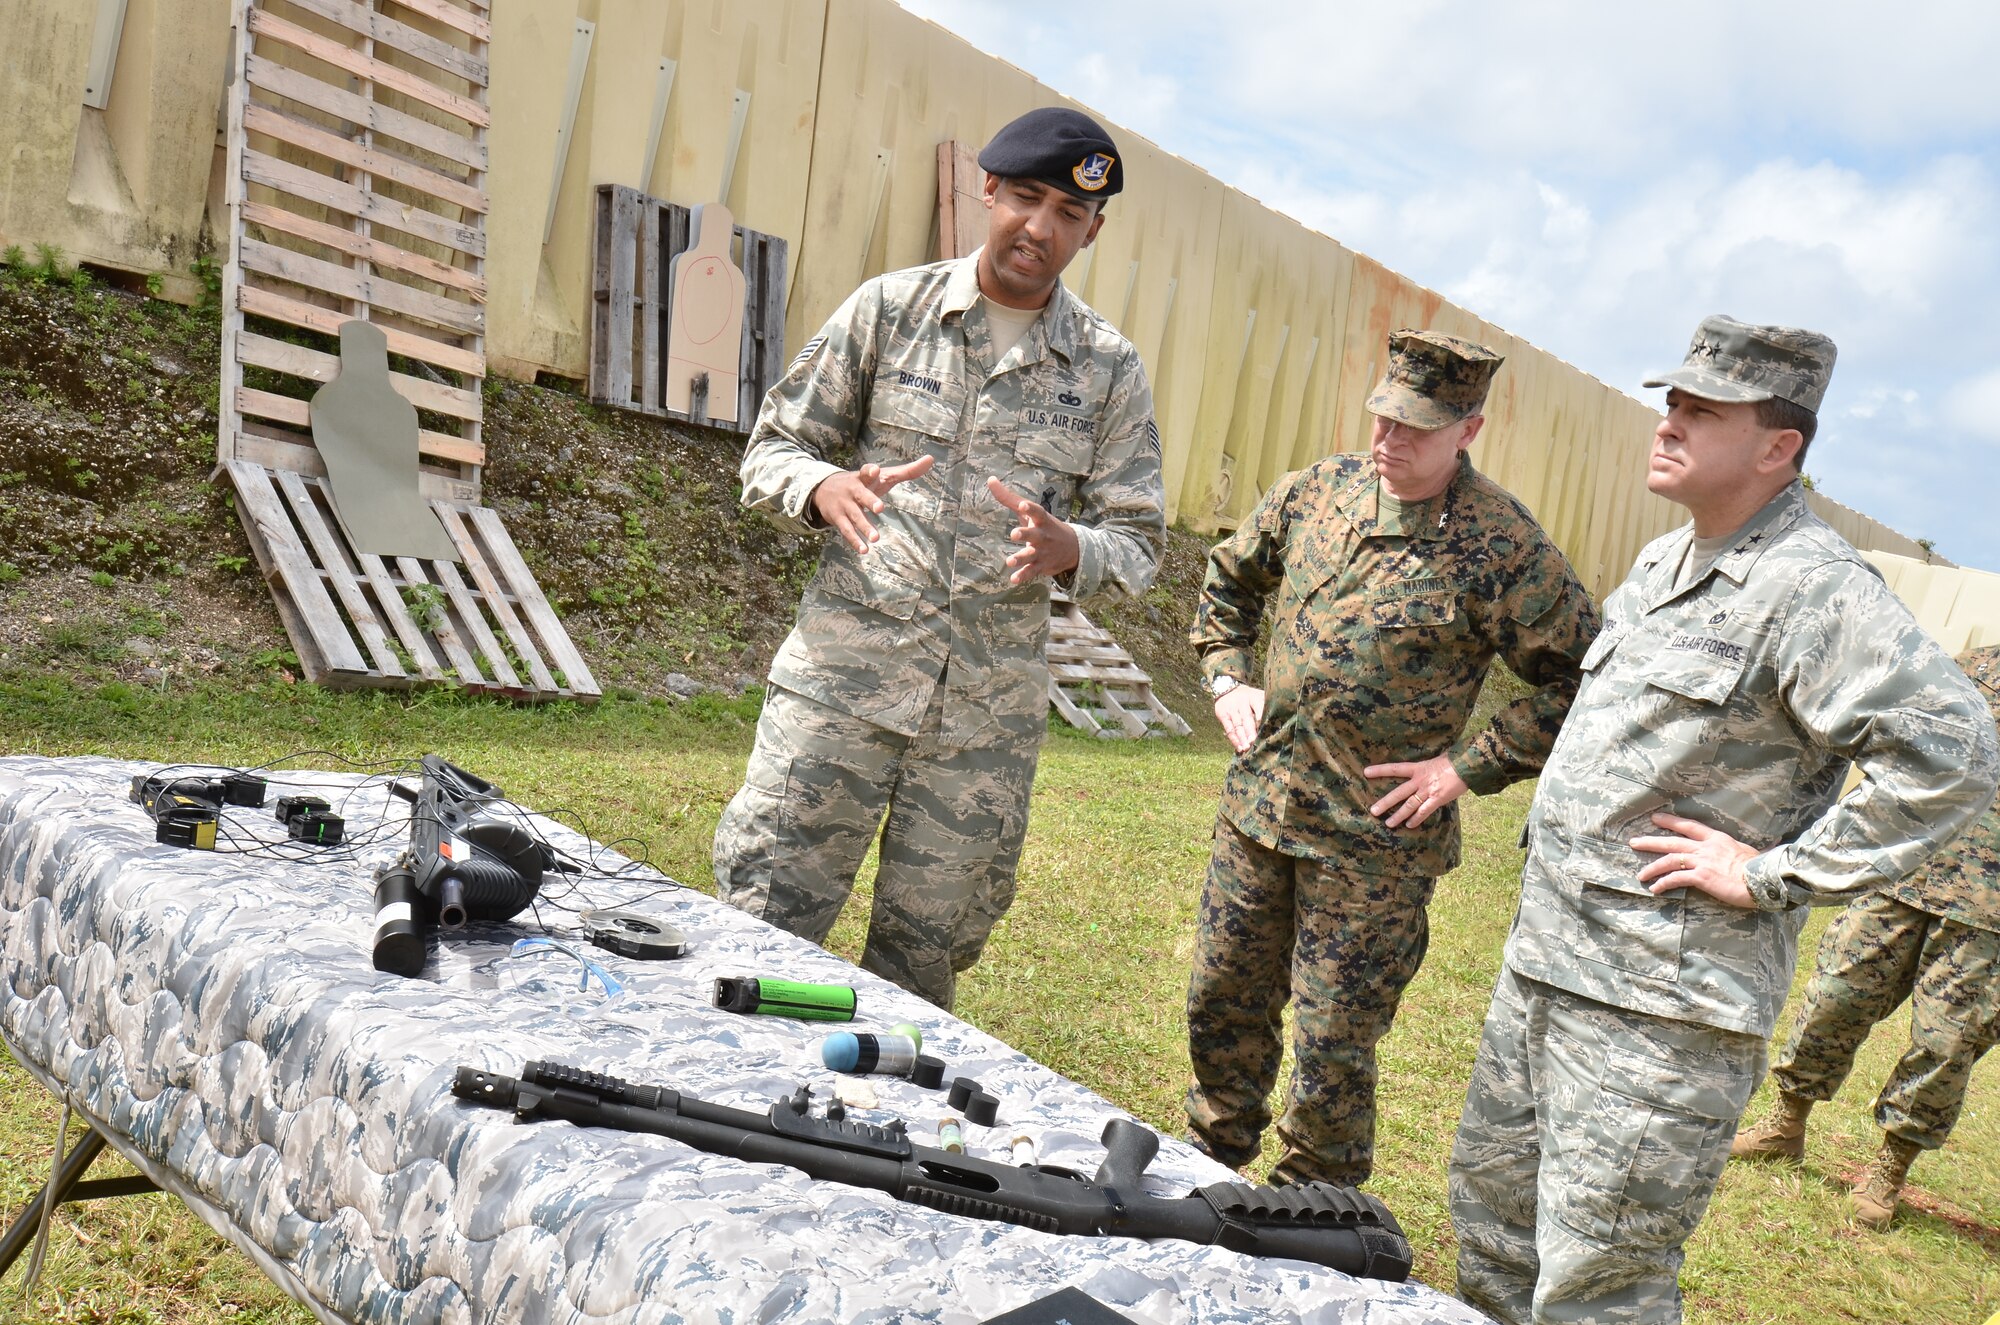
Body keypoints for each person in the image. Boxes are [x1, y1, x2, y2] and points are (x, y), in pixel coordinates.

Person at [1448, 315, 2000, 1325]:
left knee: (1596, 1287)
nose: (1667, 424)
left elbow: (1950, 750)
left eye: (1701, 410)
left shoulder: (1813, 590)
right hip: (1548, 967)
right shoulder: (1664, 564)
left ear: (1776, 446)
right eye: (1670, 402)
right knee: (1490, 1236)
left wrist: (1769, 871)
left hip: (1659, 1013)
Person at [713, 107, 1166, 1011]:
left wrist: (1073, 546)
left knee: (919, 977)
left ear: (1092, 230)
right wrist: (821, 487)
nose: (1041, 228)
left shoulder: (1107, 369)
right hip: (841, 691)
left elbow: (1141, 542)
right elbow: (770, 449)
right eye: (1027, 198)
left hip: (980, 732)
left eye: (1069, 216)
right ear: (987, 190)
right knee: (759, 928)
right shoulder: (889, 311)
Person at [1183, 330, 1601, 1188]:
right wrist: (1228, 676)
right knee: (1219, 1002)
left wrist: (1467, 767)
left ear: (1467, 431)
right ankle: (1209, 1166)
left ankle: (1311, 1212)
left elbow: (1584, 681)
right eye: (1383, 417)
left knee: (1333, 1045)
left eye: (1415, 426)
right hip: (1262, 810)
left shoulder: (1502, 547)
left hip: (1374, 850)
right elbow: (1229, 579)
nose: (1389, 441)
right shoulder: (1320, 492)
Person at [1730, 642, 2000, 1230]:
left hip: (1990, 917)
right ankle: (1785, 1123)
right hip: (1903, 868)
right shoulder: (1974, 666)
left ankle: (1891, 1168)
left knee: (1948, 1043)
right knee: (1834, 998)